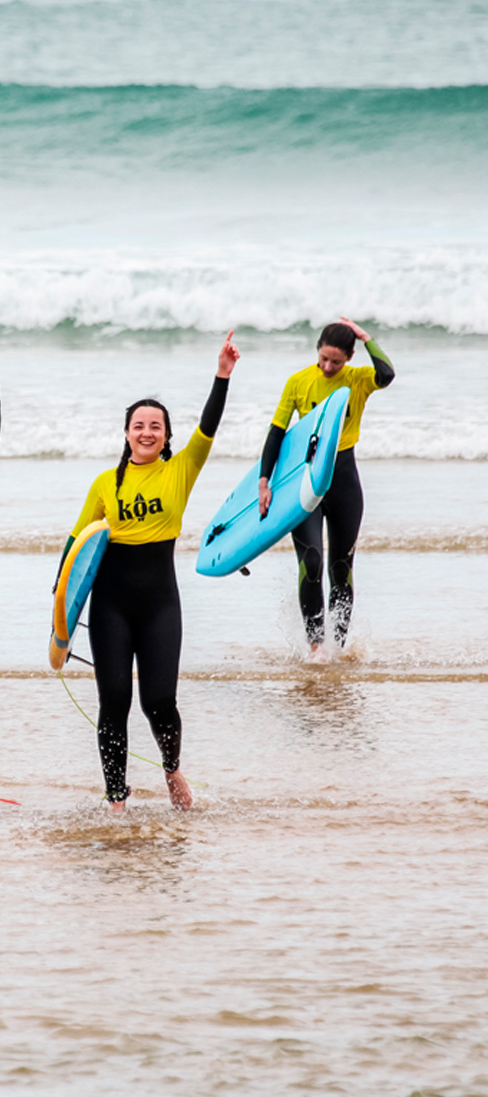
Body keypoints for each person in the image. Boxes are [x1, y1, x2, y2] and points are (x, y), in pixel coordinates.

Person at [57, 331, 240, 813]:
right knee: (113, 701)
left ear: (166, 435)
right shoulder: (104, 482)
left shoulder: (181, 469)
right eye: (138, 425)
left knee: (159, 700)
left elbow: (209, 426)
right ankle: (116, 799)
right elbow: (76, 548)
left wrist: (222, 374)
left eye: (155, 426)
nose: (146, 432)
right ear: (126, 432)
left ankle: (171, 768)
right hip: (111, 602)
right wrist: (60, 608)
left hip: (159, 601)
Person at [258, 317, 394, 653]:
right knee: (312, 562)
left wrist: (365, 337)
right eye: (323, 358)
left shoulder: (358, 380)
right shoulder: (298, 382)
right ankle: (317, 647)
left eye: (336, 360)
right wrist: (264, 481)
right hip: (304, 484)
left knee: (341, 568)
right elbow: (276, 432)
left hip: (345, 483)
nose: (328, 366)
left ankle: (338, 648)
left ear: (349, 357)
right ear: (317, 351)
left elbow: (387, 374)